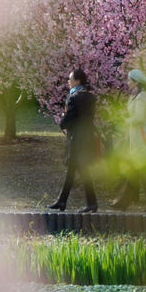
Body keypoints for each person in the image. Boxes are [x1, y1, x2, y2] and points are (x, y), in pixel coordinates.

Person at [110, 69, 146, 212]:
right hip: (139, 138)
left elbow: (139, 118)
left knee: (142, 172)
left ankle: (125, 202)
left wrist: (126, 120)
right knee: (141, 172)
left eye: (129, 80)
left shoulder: (142, 97)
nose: (127, 82)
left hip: (142, 139)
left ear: (136, 82)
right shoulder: (137, 96)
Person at [48, 68, 99, 213]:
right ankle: (63, 201)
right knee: (74, 171)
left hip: (76, 139)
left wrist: (62, 123)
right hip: (86, 137)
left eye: (70, 79)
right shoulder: (90, 97)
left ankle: (90, 203)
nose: (68, 82)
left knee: (81, 171)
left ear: (77, 80)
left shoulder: (73, 97)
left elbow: (68, 119)